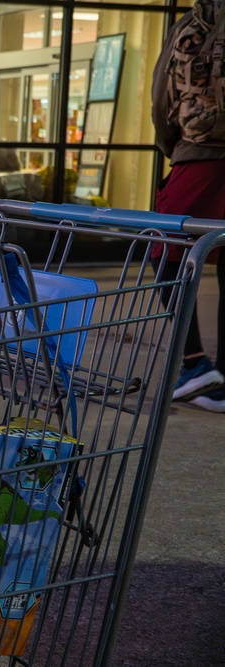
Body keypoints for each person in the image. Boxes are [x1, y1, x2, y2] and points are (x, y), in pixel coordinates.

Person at [151, 0, 225, 413]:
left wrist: (175, 148)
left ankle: (195, 362)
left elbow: (162, 101)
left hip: (200, 154)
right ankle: (219, 381)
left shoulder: (195, 22)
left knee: (167, 253)